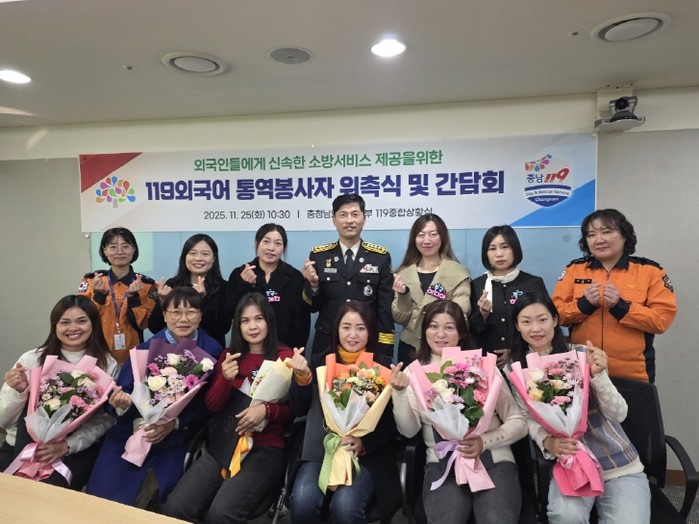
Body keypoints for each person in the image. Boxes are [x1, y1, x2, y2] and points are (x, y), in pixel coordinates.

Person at [512, 291, 651, 524]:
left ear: (555, 320)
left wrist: (599, 376)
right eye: (526, 322)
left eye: (542, 319)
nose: (536, 328)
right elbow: (528, 417)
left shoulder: (582, 354)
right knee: (565, 517)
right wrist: (546, 441)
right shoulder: (516, 369)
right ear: (517, 326)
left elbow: (619, 414)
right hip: (570, 461)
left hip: (616, 462)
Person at [390, 300, 527, 524]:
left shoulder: (482, 366)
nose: (440, 334)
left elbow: (518, 422)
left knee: (496, 519)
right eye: (433, 326)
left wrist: (484, 442)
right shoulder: (413, 373)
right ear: (424, 331)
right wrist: (399, 393)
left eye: (449, 327)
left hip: (494, 458)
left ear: (462, 333)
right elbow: (408, 431)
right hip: (443, 463)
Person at [162, 292, 294, 523]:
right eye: (245, 320)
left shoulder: (285, 357)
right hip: (224, 443)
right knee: (176, 506)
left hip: (264, 449)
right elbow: (212, 406)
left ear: (269, 321)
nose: (252, 326)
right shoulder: (230, 355)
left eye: (259, 319)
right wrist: (224, 378)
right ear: (238, 326)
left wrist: (266, 410)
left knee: (221, 514)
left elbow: (295, 410)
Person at [86, 286, 223, 507]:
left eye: (191, 312)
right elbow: (123, 390)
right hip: (132, 428)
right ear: (165, 315)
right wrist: (121, 404)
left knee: (158, 495)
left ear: (200, 315)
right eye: (175, 312)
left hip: (176, 434)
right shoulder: (145, 348)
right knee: (104, 493)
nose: (183, 319)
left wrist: (174, 423)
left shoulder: (212, 351)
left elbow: (207, 403)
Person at [288, 301, 403, 524]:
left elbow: (391, 423)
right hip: (321, 451)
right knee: (303, 501)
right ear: (336, 330)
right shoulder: (320, 363)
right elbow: (299, 409)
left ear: (370, 331)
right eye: (346, 327)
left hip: (366, 455)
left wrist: (364, 443)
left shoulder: (383, 367)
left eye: (360, 328)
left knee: (346, 507)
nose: (353, 335)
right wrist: (301, 378)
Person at [0, 295, 119, 489]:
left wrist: (67, 445)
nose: (73, 328)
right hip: (20, 446)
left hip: (72, 451)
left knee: (46, 496)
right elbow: (3, 420)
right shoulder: (32, 359)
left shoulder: (107, 365)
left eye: (81, 321)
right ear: (55, 326)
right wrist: (20, 392)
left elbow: (104, 420)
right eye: (65, 322)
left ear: (93, 324)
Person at [552, 209, 677, 382]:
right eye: (591, 235)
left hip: (634, 373)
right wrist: (583, 305)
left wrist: (621, 308)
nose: (599, 240)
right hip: (584, 370)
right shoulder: (574, 270)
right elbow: (555, 316)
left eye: (606, 232)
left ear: (624, 235)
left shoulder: (651, 272)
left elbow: (661, 321)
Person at [301, 193, 395, 360]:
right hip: (327, 343)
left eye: (355, 214)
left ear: (364, 218)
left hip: (365, 342)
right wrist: (313, 286)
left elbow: (385, 310)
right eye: (343, 215)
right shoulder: (319, 256)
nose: (349, 220)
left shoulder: (379, 257)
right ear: (334, 219)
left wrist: (384, 351)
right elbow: (311, 307)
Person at [392, 213, 471, 365]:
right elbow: (400, 319)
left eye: (433, 234)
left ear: (442, 237)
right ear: (414, 239)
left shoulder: (458, 273)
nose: (426, 240)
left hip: (445, 348)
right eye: (421, 235)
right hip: (410, 348)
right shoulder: (403, 274)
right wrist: (403, 297)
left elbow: (460, 316)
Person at [469, 225, 548, 369]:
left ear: (515, 249)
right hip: (486, 365)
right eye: (492, 249)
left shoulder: (533, 283)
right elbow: (472, 330)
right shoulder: (477, 285)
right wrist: (482, 314)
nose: (499, 254)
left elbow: (543, 323)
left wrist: (514, 351)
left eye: (504, 247)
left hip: (526, 361)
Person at [79, 227, 158, 365]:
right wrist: (99, 296)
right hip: (96, 354)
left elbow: (144, 324)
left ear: (133, 249)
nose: (120, 252)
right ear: (105, 250)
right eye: (113, 247)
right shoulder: (91, 281)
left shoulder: (146, 285)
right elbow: (82, 319)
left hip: (133, 355)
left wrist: (133, 298)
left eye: (125, 246)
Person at [226, 223, 310, 349]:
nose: (271, 248)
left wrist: (293, 353)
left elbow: (301, 322)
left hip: (284, 350)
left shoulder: (294, 277)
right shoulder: (240, 274)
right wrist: (245, 285)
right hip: (247, 348)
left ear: (284, 247)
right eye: (266, 241)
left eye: (278, 243)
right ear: (257, 243)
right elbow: (229, 313)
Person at [149, 233, 229, 348]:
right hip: (171, 353)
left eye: (205, 254)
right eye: (192, 253)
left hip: (210, 353)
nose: (198, 258)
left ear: (214, 258)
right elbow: (155, 328)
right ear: (184, 257)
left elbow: (221, 329)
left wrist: (203, 300)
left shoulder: (224, 287)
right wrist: (162, 302)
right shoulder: (172, 285)